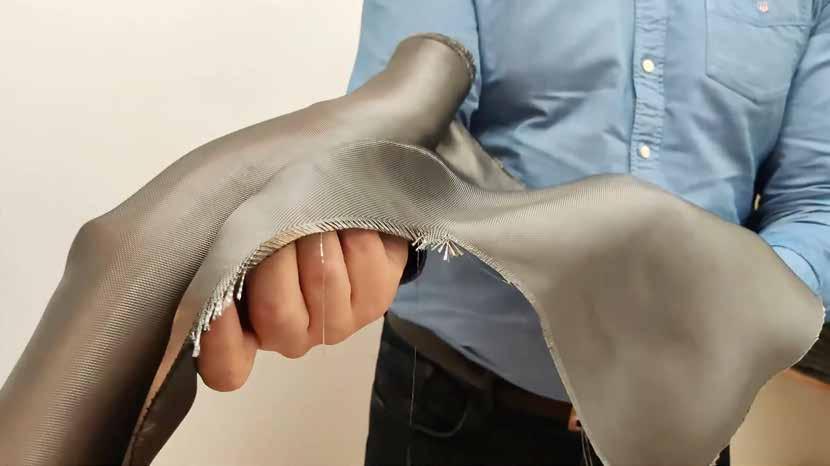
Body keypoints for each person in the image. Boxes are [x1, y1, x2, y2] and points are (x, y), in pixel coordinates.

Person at [196, 1, 830, 465]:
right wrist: (372, 225)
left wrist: (745, 305)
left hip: (686, 432)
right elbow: (398, 137)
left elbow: (816, 200)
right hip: (456, 411)